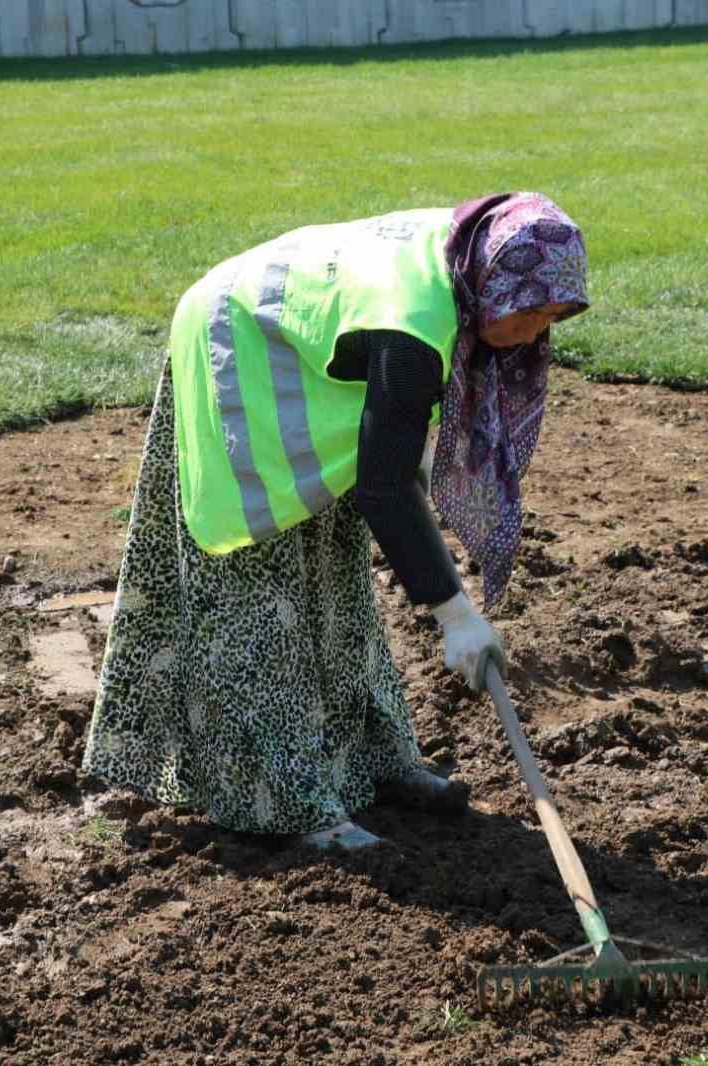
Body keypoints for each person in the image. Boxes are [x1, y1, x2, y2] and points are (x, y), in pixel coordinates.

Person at [80, 192, 589, 850]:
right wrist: (454, 615)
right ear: (493, 284)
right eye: (528, 311)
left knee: (337, 570)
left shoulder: (470, 256)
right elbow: (384, 488)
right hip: (236, 348)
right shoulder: (413, 320)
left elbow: (398, 458)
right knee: (257, 591)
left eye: (553, 316)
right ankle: (290, 804)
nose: (532, 333)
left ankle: (374, 763)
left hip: (310, 359)